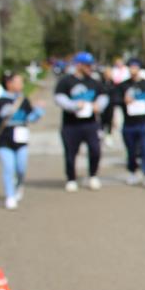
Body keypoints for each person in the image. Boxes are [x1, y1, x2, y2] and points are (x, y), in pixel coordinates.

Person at [0, 72, 44, 210]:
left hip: (21, 140)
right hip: (4, 140)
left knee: (21, 168)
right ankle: (10, 195)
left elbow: (30, 118)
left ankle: (18, 185)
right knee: (8, 168)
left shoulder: (24, 100)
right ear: (9, 83)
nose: (21, 84)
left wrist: (39, 110)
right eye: (19, 82)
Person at [54, 51, 108, 192]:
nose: (90, 67)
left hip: (90, 123)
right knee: (71, 153)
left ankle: (93, 175)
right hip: (71, 124)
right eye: (87, 65)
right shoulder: (66, 81)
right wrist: (74, 105)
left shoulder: (94, 82)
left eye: (91, 65)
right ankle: (71, 178)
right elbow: (59, 98)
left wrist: (98, 105)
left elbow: (103, 96)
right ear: (79, 65)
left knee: (95, 150)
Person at [118, 58, 145, 188]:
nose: (133, 69)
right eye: (131, 67)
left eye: (135, 67)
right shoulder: (123, 86)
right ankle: (132, 171)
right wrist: (123, 100)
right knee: (131, 150)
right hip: (129, 123)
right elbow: (114, 100)